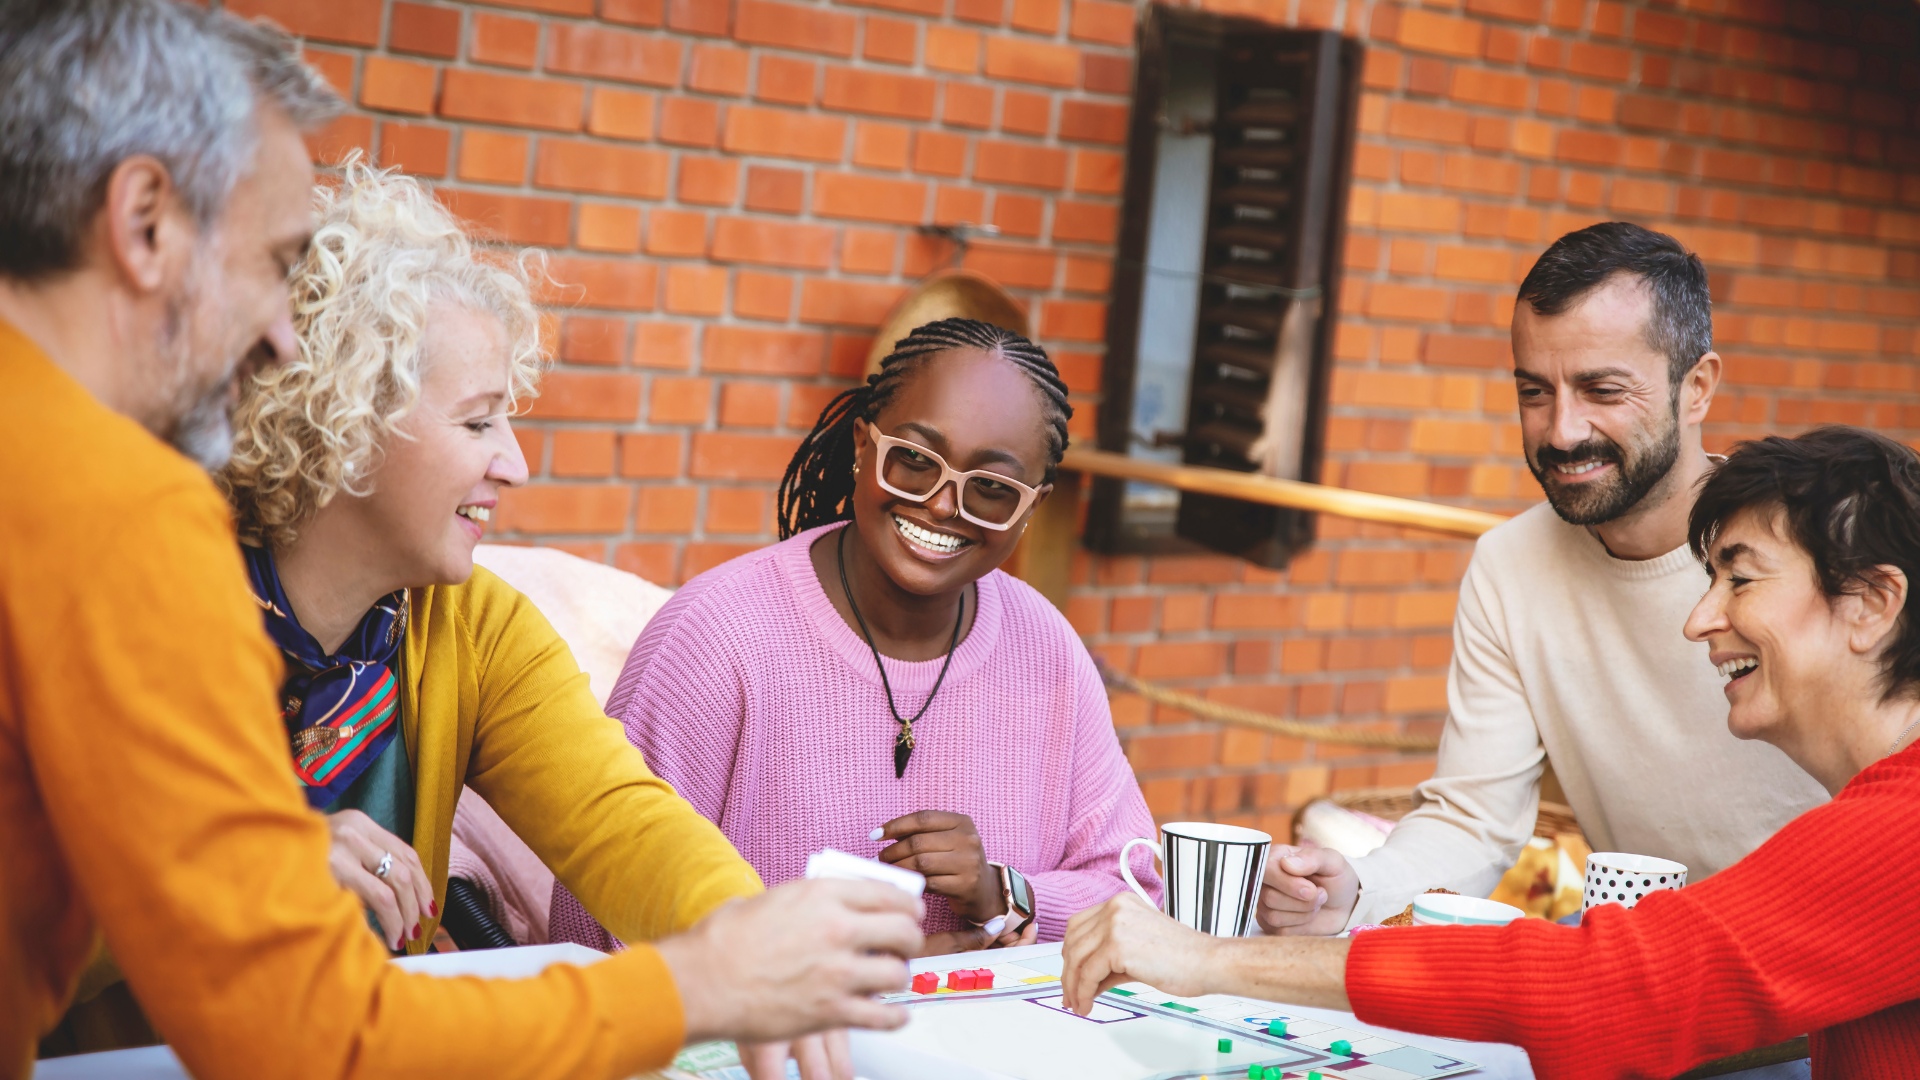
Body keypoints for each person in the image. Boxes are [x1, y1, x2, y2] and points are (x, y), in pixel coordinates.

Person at [0, 5, 917, 1078]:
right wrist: (698, 985)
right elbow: (301, 1031)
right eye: (266, 263)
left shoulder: (446, 621)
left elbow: (622, 822)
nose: (279, 334)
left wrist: (747, 937)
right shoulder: (130, 527)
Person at [1062, 425, 1920, 1079]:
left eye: (1741, 578)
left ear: (1873, 604)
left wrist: (1208, 959)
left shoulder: (1899, 828)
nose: (1699, 618)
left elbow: (1605, 988)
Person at [1259, 222, 1827, 934]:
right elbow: (1474, 820)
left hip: (1838, 990)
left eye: (1601, 389)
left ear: (1697, 388)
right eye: (1535, 392)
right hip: (1655, 990)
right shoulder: (1510, 565)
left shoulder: (1810, 553)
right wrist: (1357, 891)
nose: (1562, 430)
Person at [564, 317, 1161, 962]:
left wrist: (1006, 895)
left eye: (990, 488)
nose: (940, 506)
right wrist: (855, 981)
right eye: (914, 460)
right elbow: (598, 922)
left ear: (1031, 509)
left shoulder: (1048, 650)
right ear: (863, 448)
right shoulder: (714, 637)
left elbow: (1133, 892)